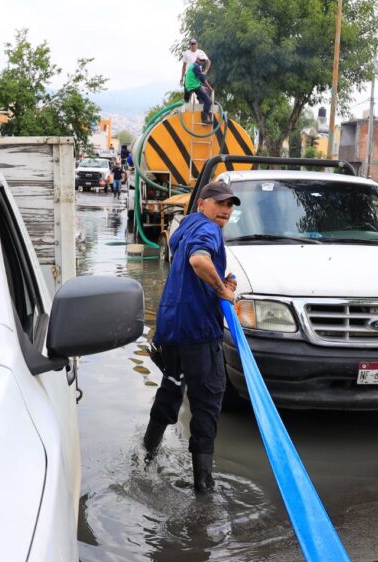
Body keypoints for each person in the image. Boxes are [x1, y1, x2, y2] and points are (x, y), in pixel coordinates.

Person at [143, 181, 240, 494]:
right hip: (198, 332)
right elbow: (199, 261)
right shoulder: (209, 229)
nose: (225, 210)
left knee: (171, 390)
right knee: (207, 402)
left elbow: (190, 269)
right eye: (219, 203)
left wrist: (218, 282)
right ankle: (203, 488)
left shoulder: (185, 226)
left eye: (229, 205)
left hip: (171, 330)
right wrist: (221, 289)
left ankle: (146, 458)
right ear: (202, 204)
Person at [184, 53, 214, 125]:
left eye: (203, 61)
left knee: (206, 90)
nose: (202, 62)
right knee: (208, 101)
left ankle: (201, 101)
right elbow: (202, 79)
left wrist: (207, 88)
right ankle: (205, 119)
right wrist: (210, 87)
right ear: (197, 59)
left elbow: (198, 78)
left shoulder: (193, 65)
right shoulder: (196, 67)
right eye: (201, 60)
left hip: (191, 85)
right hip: (193, 86)